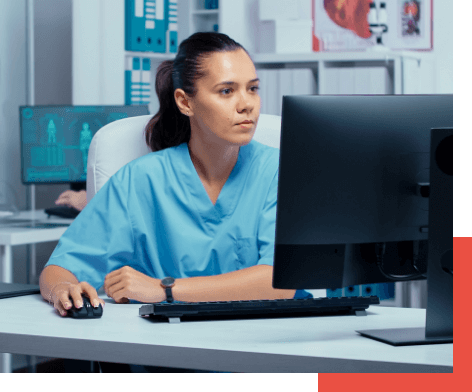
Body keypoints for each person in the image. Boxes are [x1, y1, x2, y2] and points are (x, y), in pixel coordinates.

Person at [39, 32, 312, 373]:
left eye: (252, 88)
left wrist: (162, 289)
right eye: (227, 91)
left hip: (268, 356)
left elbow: (279, 282)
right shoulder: (140, 181)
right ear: (185, 102)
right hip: (171, 360)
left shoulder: (280, 170)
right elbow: (59, 268)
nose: (247, 104)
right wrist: (65, 290)